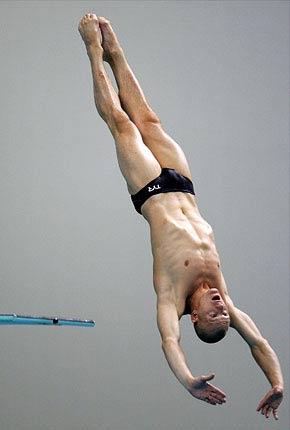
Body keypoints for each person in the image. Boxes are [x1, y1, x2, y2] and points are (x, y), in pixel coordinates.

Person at [78, 13, 284, 419]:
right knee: (150, 120)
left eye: (213, 313)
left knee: (122, 125)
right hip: (184, 186)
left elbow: (169, 342)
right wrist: (277, 383)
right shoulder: (223, 290)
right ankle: (116, 53)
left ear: (195, 318)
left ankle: (92, 49)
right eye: (224, 311)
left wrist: (189, 379)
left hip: (151, 192)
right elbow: (258, 343)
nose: (220, 306)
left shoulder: (171, 300)